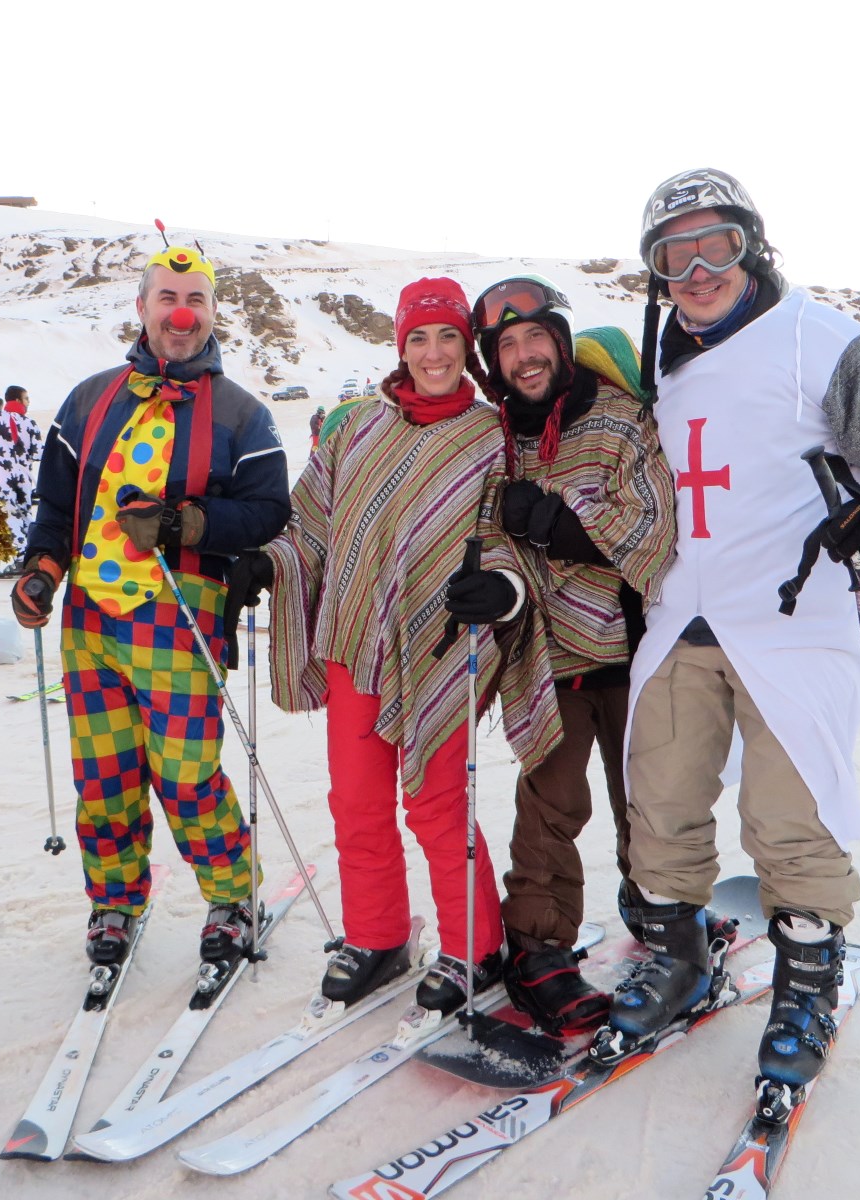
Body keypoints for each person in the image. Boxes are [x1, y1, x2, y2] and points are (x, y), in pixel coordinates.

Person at [591, 170, 860, 1100]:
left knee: (791, 819)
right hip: (680, 618)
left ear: (754, 247)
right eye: (676, 254)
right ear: (656, 272)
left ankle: (804, 989)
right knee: (659, 808)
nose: (701, 269)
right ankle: (677, 960)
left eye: (721, 246)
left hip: (793, 619)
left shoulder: (820, 338)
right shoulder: (657, 364)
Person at [229, 278, 561, 1020]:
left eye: (447, 338)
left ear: (465, 349)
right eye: (419, 338)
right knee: (356, 800)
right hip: (354, 637)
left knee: (437, 803)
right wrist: (267, 562)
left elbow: (509, 543)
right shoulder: (353, 429)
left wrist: (501, 589)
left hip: (440, 647)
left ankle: (473, 947)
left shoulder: (489, 436)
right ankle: (377, 935)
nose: (434, 353)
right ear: (400, 345)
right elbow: (311, 524)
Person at [9, 243, 288, 977]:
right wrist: (41, 572)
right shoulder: (88, 399)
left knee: (188, 777)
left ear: (214, 313)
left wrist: (186, 525)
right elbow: (57, 505)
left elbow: (268, 512)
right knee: (104, 775)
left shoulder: (241, 415)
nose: (181, 314)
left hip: (180, 621)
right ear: (142, 308)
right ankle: (114, 901)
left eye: (194, 300)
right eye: (166, 298)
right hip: (90, 624)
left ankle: (233, 899)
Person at [469, 275, 677, 1033]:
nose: (524, 356)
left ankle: (664, 916)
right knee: (550, 806)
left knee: (653, 799)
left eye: (535, 339)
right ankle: (537, 948)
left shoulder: (622, 419)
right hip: (548, 652)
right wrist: (499, 587)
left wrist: (560, 526)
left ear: (560, 341)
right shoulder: (493, 440)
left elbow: (652, 523)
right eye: (507, 345)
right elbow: (486, 538)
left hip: (634, 646)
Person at [0, 384, 43, 576]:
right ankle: (34, 556)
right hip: (24, 477)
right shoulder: (30, 424)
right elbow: (38, 453)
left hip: (3, 476)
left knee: (11, 516)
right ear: (17, 400)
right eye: (26, 399)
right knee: (26, 515)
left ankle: (20, 558)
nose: (28, 403)